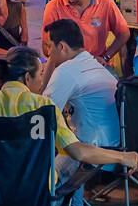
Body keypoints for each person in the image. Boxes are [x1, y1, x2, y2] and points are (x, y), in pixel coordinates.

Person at [0, 46, 138, 206]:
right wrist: (122, 156)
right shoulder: (43, 106)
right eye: (41, 74)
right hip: (34, 200)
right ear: (27, 77)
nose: (42, 80)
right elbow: (78, 152)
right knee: (73, 159)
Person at [41, 0, 130, 77]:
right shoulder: (53, 7)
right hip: (64, 68)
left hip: (96, 66)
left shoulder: (105, 3)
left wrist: (105, 57)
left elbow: (124, 33)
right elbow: (45, 47)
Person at [44, 19, 120, 149]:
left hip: (94, 154)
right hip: (115, 147)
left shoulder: (66, 71)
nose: (48, 53)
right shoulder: (95, 65)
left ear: (61, 46)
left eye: (49, 46)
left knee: (49, 168)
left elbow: (44, 115)